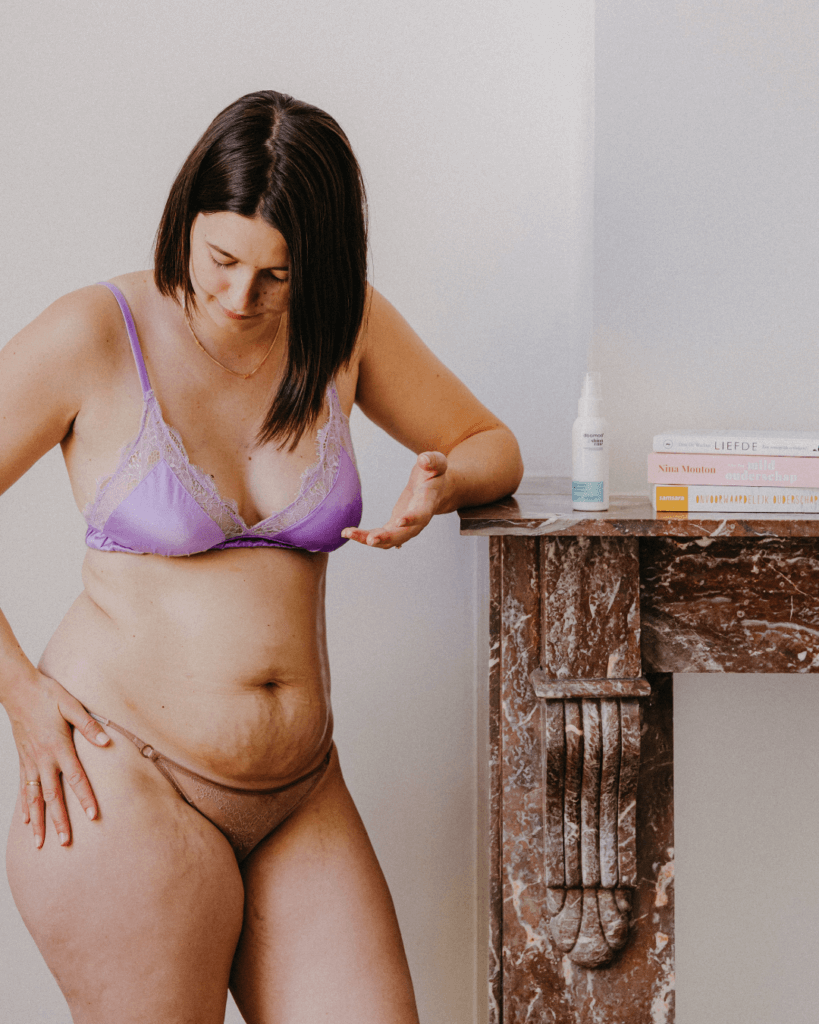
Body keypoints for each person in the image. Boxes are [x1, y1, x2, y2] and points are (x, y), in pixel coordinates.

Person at [0, 90, 523, 1024]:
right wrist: (22, 697)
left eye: (276, 275)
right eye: (222, 260)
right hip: (127, 778)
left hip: (301, 791)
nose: (242, 298)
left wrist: (441, 485)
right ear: (184, 221)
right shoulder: (95, 332)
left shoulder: (341, 324)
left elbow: (490, 444)